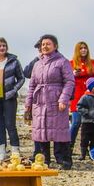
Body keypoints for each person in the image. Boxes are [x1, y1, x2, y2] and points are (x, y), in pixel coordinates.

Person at [25, 34, 75, 170]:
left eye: (48, 44)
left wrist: (64, 98)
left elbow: (69, 81)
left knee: (59, 129)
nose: (45, 46)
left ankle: (63, 158)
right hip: (40, 100)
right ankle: (43, 158)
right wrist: (28, 103)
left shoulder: (62, 62)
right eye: (43, 44)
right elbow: (32, 85)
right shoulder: (37, 64)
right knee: (41, 129)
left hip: (56, 99)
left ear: (55, 46)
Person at [69, 42, 94, 153]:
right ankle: (69, 146)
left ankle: (89, 148)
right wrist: (73, 74)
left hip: (91, 97)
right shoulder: (71, 63)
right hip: (77, 96)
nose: (83, 50)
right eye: (81, 48)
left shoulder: (93, 63)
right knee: (76, 122)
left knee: (90, 124)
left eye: (85, 48)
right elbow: (67, 80)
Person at [76, 78, 94, 160]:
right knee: (84, 139)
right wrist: (87, 112)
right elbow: (79, 107)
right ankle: (83, 153)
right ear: (90, 87)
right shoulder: (85, 97)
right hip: (86, 122)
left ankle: (92, 153)